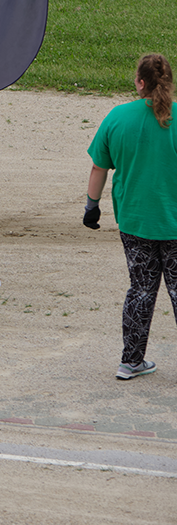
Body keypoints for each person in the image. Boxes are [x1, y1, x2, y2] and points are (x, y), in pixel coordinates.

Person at [84, 53, 177, 381]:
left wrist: (91, 206)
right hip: (174, 224)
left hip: (136, 221)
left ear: (140, 82)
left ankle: (131, 360)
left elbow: (99, 167)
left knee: (141, 288)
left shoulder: (118, 117)